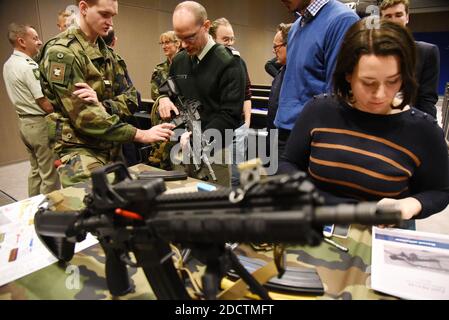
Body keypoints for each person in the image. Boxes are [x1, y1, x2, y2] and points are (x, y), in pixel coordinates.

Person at [278, 19, 449, 229]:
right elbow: (289, 163)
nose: (380, 94)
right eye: (368, 83)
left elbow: (440, 191)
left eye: (393, 81)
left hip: (380, 237)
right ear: (348, 75)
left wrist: (410, 205)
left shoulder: (424, 130)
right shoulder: (319, 110)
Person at [39, 0, 174, 187]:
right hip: (80, 149)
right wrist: (141, 134)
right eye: (104, 14)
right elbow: (85, 117)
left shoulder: (107, 53)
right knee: (92, 203)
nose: (110, 22)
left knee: (124, 202)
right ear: (84, 8)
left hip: (112, 146)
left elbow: (132, 96)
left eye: (113, 16)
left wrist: (103, 105)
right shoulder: (62, 53)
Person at [157, 1, 246, 186]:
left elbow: (230, 115)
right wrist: (164, 98)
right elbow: (169, 88)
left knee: (214, 206)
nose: (183, 44)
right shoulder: (180, 60)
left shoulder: (229, 63)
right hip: (181, 149)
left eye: (189, 37)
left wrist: (200, 137)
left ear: (206, 27)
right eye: (179, 38)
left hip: (214, 151)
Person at [275, 0, 359, 158]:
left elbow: (337, 94)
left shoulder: (342, 20)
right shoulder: (296, 27)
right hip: (285, 133)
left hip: (313, 139)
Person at [3, 23, 60, 197]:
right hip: (39, 124)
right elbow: (43, 101)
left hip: (25, 125)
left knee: (36, 171)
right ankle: (49, 214)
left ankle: (31, 209)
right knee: (50, 174)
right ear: (21, 41)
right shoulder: (29, 66)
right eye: (34, 38)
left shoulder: (9, 64)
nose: (40, 42)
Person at [209, 17, 251, 186]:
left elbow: (247, 93)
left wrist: (247, 122)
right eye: (225, 39)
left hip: (237, 128)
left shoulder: (238, 62)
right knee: (217, 175)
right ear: (212, 38)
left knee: (236, 175)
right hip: (214, 129)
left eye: (232, 38)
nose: (230, 43)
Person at [380, 0, 440, 119]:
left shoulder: (426, 52)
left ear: (407, 17)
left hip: (408, 122)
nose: (393, 21)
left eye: (398, 15)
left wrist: (426, 130)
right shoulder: (372, 53)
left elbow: (427, 100)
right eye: (388, 16)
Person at [150, 31, 180, 101]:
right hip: (166, 108)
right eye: (162, 43)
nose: (163, 46)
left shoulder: (186, 65)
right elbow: (154, 94)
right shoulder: (159, 69)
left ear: (177, 43)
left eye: (167, 42)